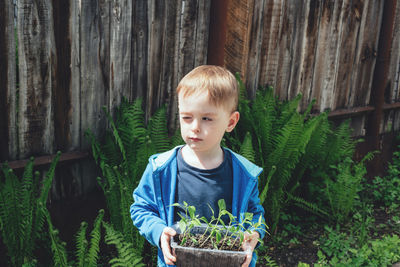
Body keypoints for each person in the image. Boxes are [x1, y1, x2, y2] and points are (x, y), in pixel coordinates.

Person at [130, 65, 266, 267]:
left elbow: (255, 213)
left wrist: (253, 233)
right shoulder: (161, 169)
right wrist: (159, 231)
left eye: (206, 119)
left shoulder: (243, 174)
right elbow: (141, 208)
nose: (194, 127)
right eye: (186, 117)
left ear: (230, 122)